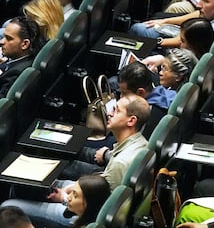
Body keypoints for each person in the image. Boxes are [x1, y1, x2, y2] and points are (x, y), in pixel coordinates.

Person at [1, 95, 150, 226]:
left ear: (131, 120)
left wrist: (64, 199)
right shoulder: (141, 143)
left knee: (9, 205)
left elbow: (100, 210)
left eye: (116, 110)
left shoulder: (120, 164)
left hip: (84, 216)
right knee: (44, 182)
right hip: (90, 195)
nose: (109, 113)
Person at [0, 17, 42, 98]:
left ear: (25, 44)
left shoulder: (16, 74)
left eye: (9, 38)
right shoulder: (24, 59)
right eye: (4, 37)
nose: (1, 42)